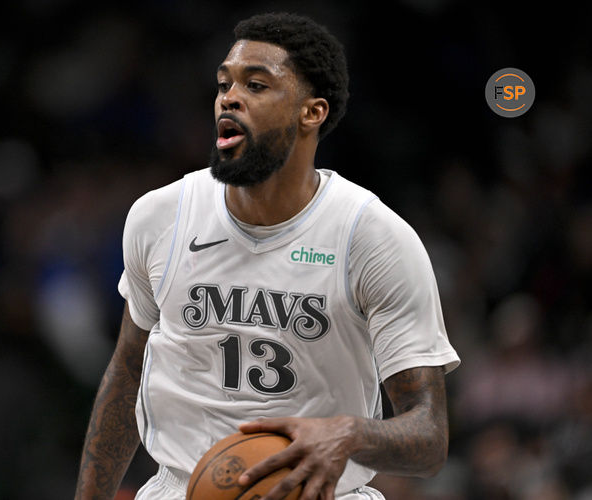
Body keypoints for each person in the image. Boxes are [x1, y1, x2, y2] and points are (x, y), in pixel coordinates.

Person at [75, 11, 460, 500]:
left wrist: (349, 434)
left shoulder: (372, 238)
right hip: (184, 486)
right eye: (223, 84)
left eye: (256, 85)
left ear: (311, 112)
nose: (228, 98)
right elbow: (128, 369)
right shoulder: (161, 216)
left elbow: (429, 437)